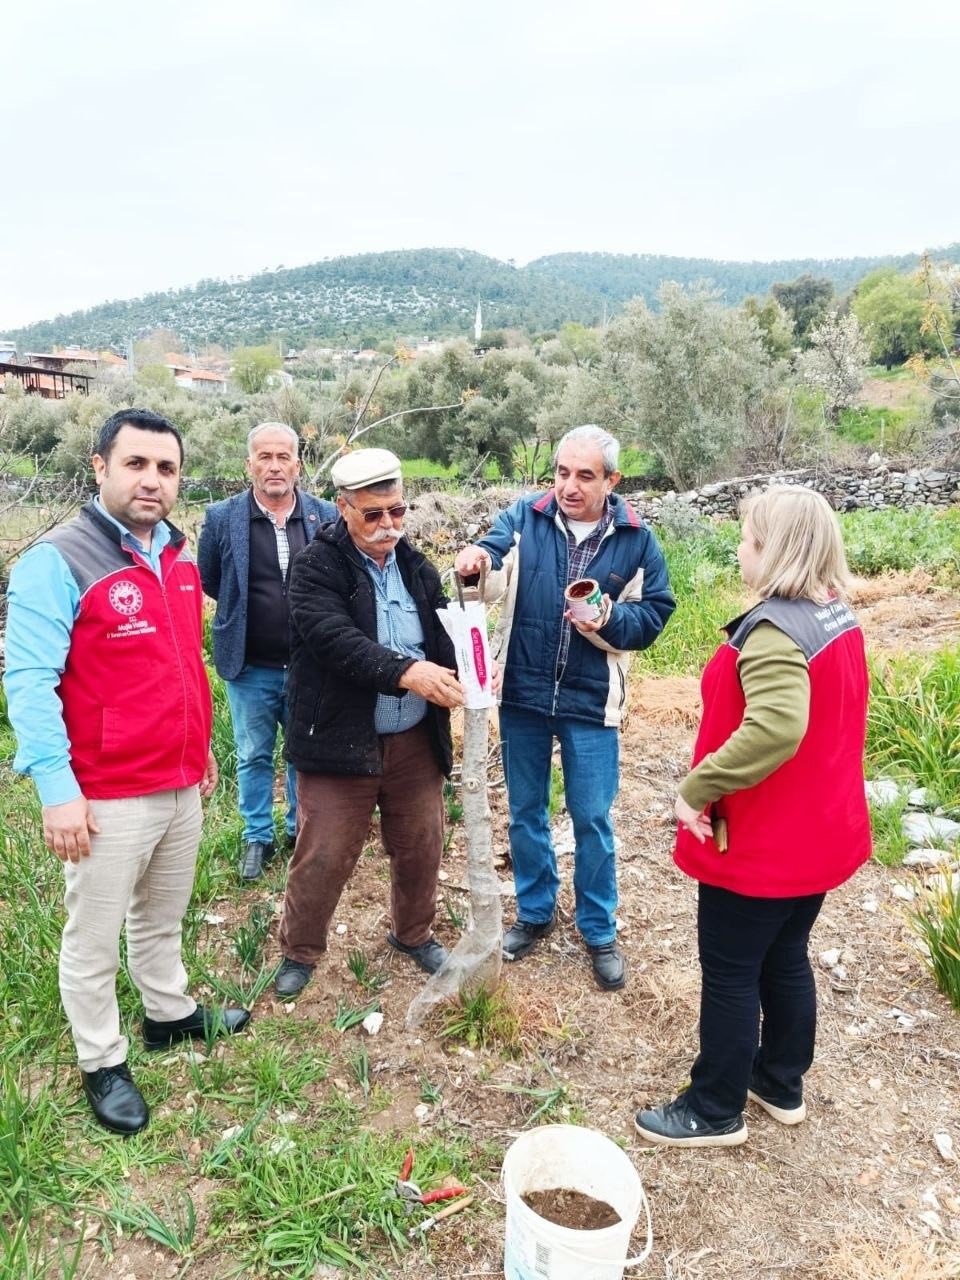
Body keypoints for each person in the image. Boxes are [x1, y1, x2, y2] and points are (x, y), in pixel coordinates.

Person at [4, 408, 250, 1137]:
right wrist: (57, 792)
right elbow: (28, 681)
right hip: (104, 795)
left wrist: (198, 746)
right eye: (136, 464)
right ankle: (101, 1060)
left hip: (178, 783)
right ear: (99, 467)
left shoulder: (176, 554)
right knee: (94, 934)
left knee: (161, 915)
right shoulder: (60, 559)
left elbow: (178, 666)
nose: (152, 480)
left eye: (166, 468)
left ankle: (167, 1014)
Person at [634, 485, 871, 1147]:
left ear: (774, 550)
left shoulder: (773, 632)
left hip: (767, 844)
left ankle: (713, 1109)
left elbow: (776, 728)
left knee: (733, 970)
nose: (740, 547)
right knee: (785, 955)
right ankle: (779, 1081)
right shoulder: (832, 615)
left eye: (747, 537)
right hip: (819, 833)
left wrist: (698, 786)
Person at [454, 424, 675, 991]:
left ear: (612, 480)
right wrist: (477, 561)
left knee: (593, 819)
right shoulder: (526, 517)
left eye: (584, 475)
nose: (569, 487)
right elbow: (492, 555)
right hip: (524, 693)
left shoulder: (636, 539)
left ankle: (598, 929)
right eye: (561, 472)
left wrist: (606, 621)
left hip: (591, 700)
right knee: (526, 811)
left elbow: (653, 616)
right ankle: (534, 913)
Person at [273, 448, 464, 997]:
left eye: (397, 511)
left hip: (413, 741)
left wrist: (471, 666)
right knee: (325, 852)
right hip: (340, 741)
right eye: (373, 514)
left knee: (422, 842)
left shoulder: (416, 566)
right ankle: (301, 948)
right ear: (342, 508)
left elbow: (443, 629)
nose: (388, 526)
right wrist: (408, 671)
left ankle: (413, 933)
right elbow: (334, 640)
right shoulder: (315, 566)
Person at [198, 422, 336, 881]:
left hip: (308, 664)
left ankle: (301, 830)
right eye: (264, 457)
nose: (273, 466)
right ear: (249, 464)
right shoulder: (222, 518)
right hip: (249, 666)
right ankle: (257, 837)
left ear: (298, 464)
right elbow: (213, 581)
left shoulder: (324, 515)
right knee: (254, 754)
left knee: (303, 751)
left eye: (283, 458)